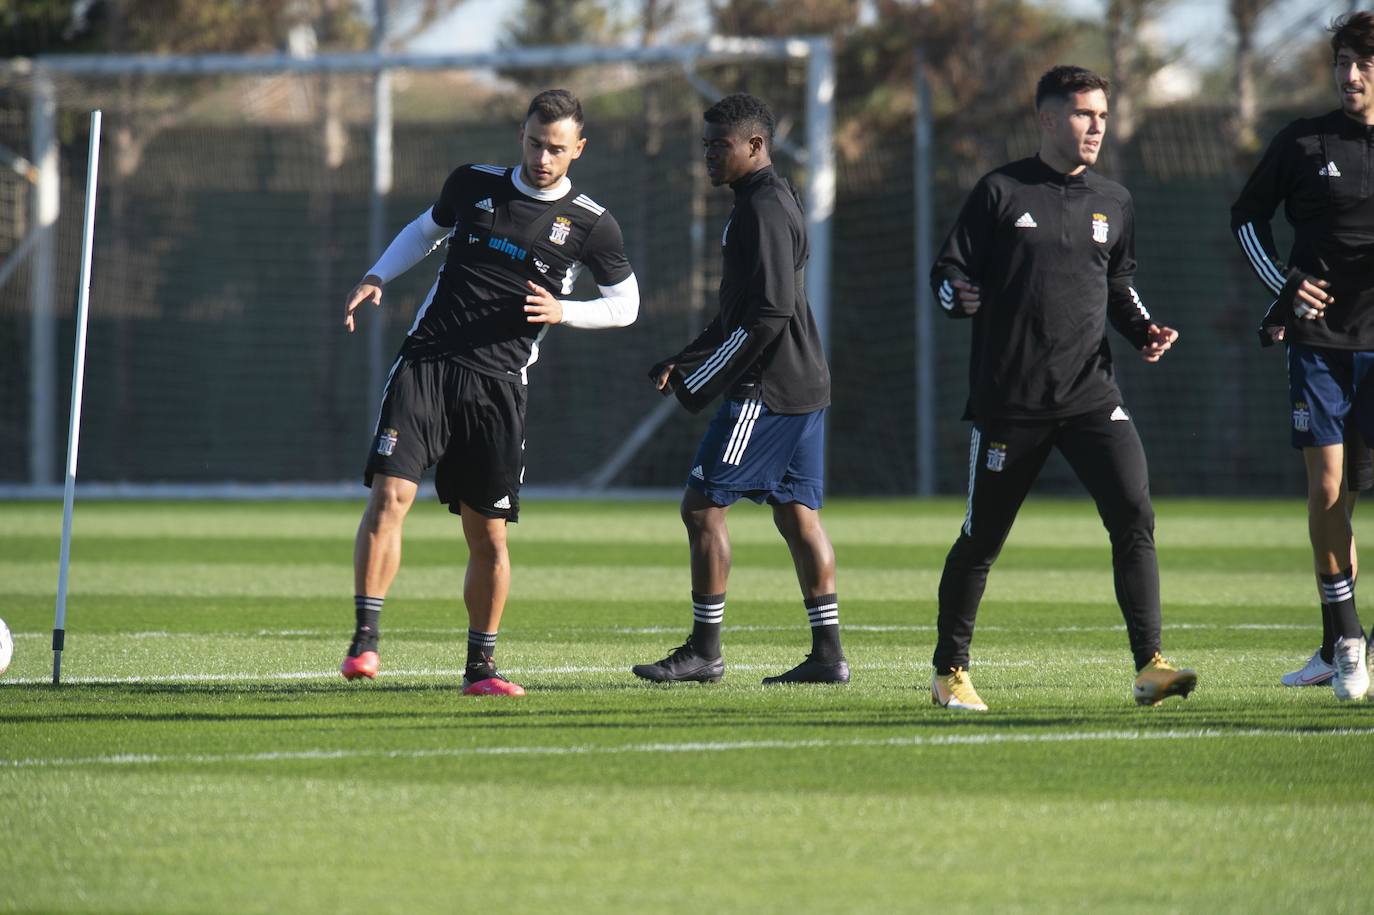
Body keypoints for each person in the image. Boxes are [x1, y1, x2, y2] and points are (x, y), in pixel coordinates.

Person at [340, 89, 639, 695]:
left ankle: (481, 669)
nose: (542, 158)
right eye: (534, 142)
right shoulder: (472, 182)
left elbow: (626, 307)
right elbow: (425, 231)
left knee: (488, 534)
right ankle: (365, 642)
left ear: (578, 150)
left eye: (556, 148)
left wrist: (564, 312)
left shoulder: (591, 224)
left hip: (499, 385)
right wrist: (376, 276)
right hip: (428, 360)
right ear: (521, 136)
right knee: (391, 494)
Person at [928, 65, 1196, 712]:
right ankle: (948, 672)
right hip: (1011, 401)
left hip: (1091, 396)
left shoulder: (1115, 201)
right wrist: (955, 295)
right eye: (1083, 114)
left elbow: (1117, 286)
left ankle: (1149, 665)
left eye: (1103, 114)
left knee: (1134, 513)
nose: (1096, 125)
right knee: (981, 540)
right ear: (1047, 119)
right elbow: (948, 272)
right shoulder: (1000, 192)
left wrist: (1144, 329)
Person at [631, 93, 847, 686]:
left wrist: (703, 379)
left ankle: (705, 651)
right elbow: (745, 308)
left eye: (718, 145)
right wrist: (688, 355)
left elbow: (772, 312)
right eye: (704, 144)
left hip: (768, 389)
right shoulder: (762, 199)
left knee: (701, 508)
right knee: (798, 516)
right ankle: (828, 657)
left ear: (755, 145)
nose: (708, 155)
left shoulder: (765, 208)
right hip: (801, 381)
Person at [1231, 11, 1374, 701]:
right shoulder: (1305, 139)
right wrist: (1287, 287)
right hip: (1319, 344)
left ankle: (1338, 643)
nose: (1351, 74)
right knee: (1328, 490)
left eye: (1365, 62)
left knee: (1359, 494)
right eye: (1344, 60)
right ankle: (1346, 640)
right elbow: (1247, 216)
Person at [1258, 323, 1372, 688]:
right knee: (1331, 497)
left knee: (1343, 497)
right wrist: (1285, 296)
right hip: (1320, 342)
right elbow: (1278, 265)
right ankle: (1338, 645)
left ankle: (1344, 648)